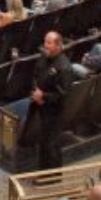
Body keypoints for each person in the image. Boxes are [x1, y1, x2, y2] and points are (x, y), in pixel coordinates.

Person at [31, 32, 73, 170]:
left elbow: (63, 94)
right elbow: (35, 75)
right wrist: (36, 91)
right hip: (40, 106)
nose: (45, 45)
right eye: (45, 42)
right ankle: (43, 173)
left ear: (59, 45)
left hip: (55, 111)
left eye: (49, 43)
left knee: (52, 144)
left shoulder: (64, 67)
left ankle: (53, 177)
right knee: (43, 142)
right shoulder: (43, 58)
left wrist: (44, 96)